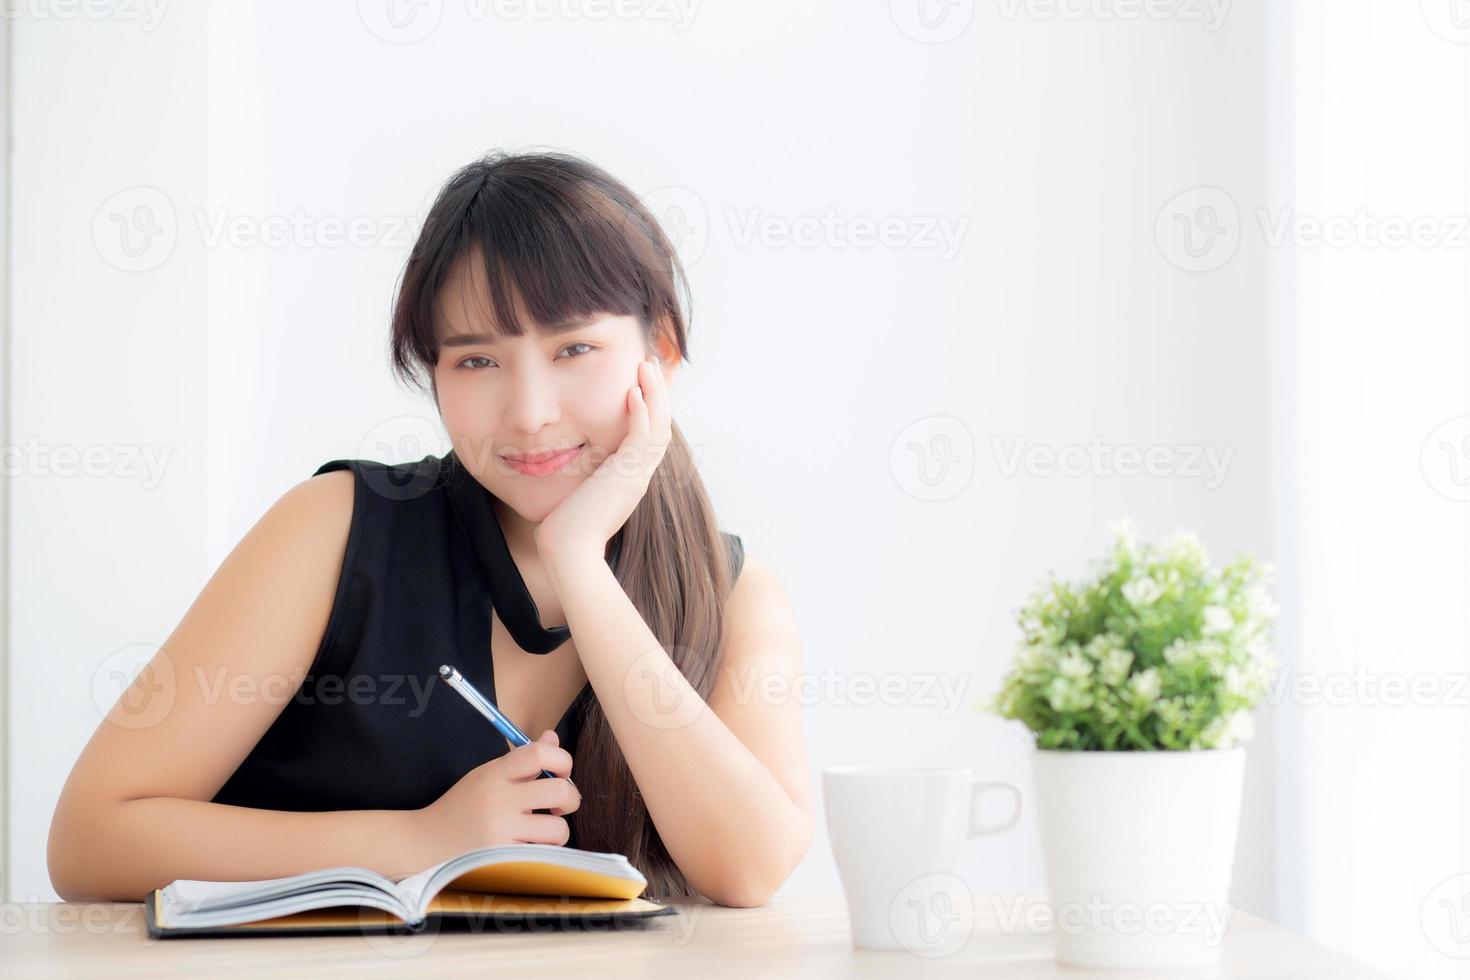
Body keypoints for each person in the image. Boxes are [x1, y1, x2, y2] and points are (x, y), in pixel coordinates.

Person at [47, 149, 813, 908]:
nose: (529, 412)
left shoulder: (734, 596)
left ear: (662, 352)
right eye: (477, 362)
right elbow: (91, 840)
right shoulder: (334, 532)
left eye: (574, 348)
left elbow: (749, 869)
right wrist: (420, 839)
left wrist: (578, 561)